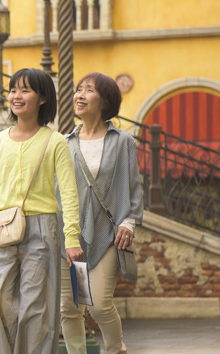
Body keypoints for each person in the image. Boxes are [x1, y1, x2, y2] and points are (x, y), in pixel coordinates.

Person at [0, 68, 83, 354]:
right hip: (2, 229)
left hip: (42, 229)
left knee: (37, 306)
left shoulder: (55, 140)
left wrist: (72, 239)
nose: (16, 96)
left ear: (43, 98)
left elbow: (69, 193)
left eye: (25, 90)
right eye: (13, 90)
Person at [59, 72, 143, 354]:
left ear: (105, 100)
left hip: (107, 235)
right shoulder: (65, 143)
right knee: (71, 308)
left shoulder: (123, 142)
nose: (79, 95)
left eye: (89, 90)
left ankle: (116, 349)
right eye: (78, 89)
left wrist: (129, 222)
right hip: (71, 237)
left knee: (98, 304)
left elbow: (133, 186)